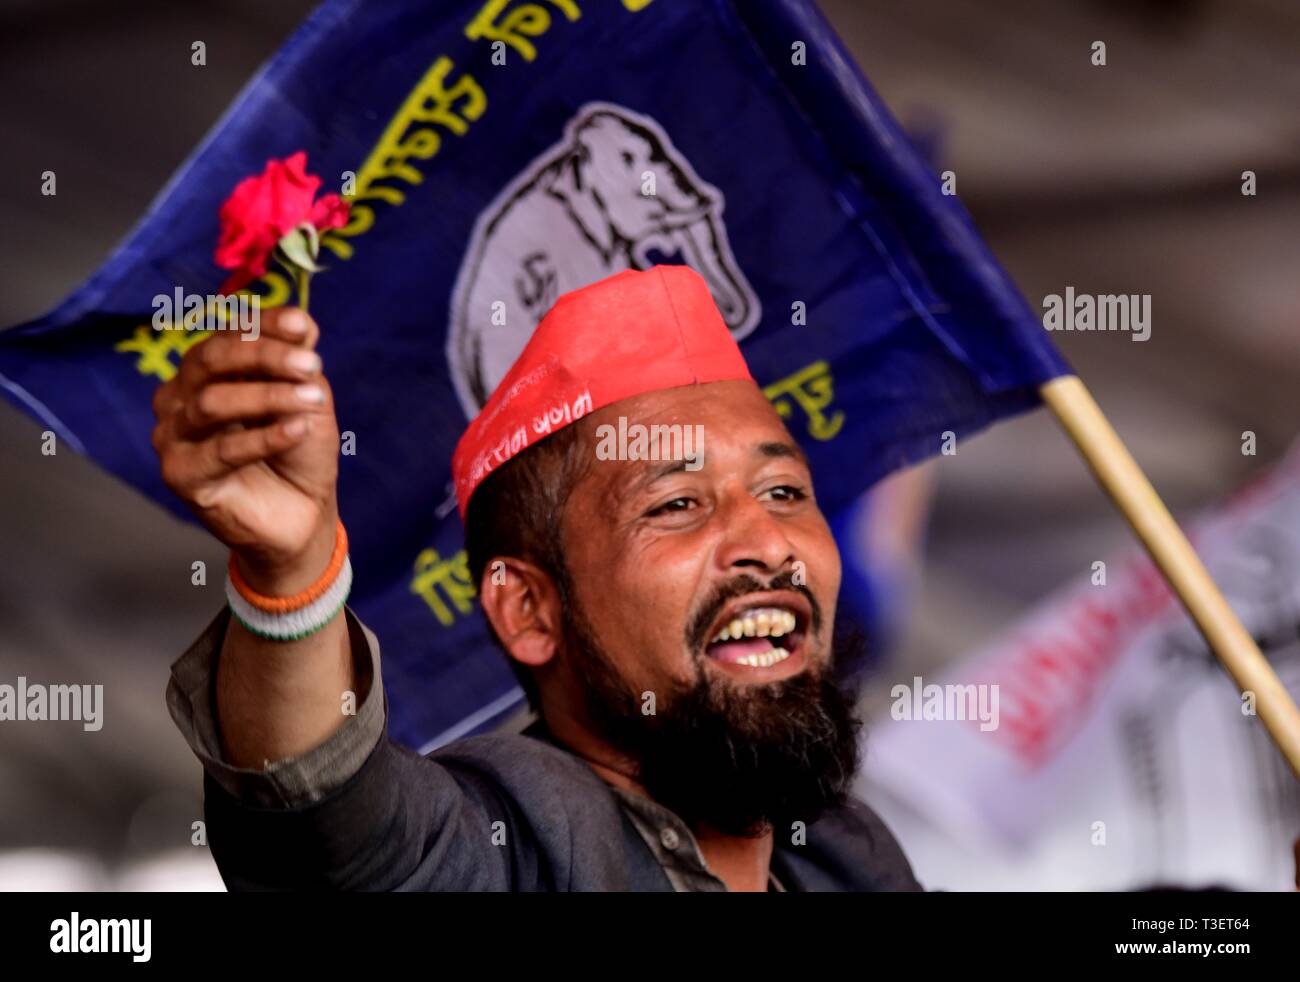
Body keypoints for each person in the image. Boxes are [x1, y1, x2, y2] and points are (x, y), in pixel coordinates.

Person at [155, 264, 921, 891]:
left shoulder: (847, 860)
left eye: (785, 492)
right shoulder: (514, 846)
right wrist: (288, 578)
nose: (768, 541)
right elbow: (332, 833)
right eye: (678, 503)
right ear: (528, 608)